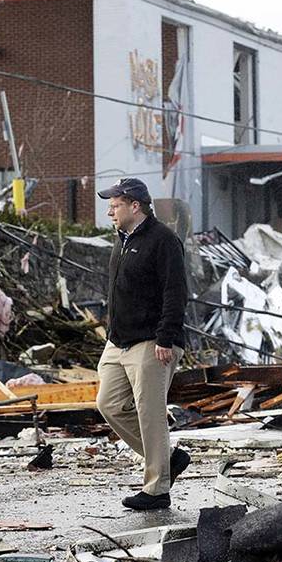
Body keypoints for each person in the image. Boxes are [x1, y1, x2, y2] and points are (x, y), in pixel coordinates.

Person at [95, 177, 190, 510]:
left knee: (150, 416)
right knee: (109, 404)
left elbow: (175, 292)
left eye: (115, 205)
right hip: (119, 341)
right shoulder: (122, 239)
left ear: (135, 206)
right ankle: (170, 459)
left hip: (152, 342)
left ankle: (157, 490)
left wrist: (166, 336)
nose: (110, 211)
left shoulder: (163, 241)